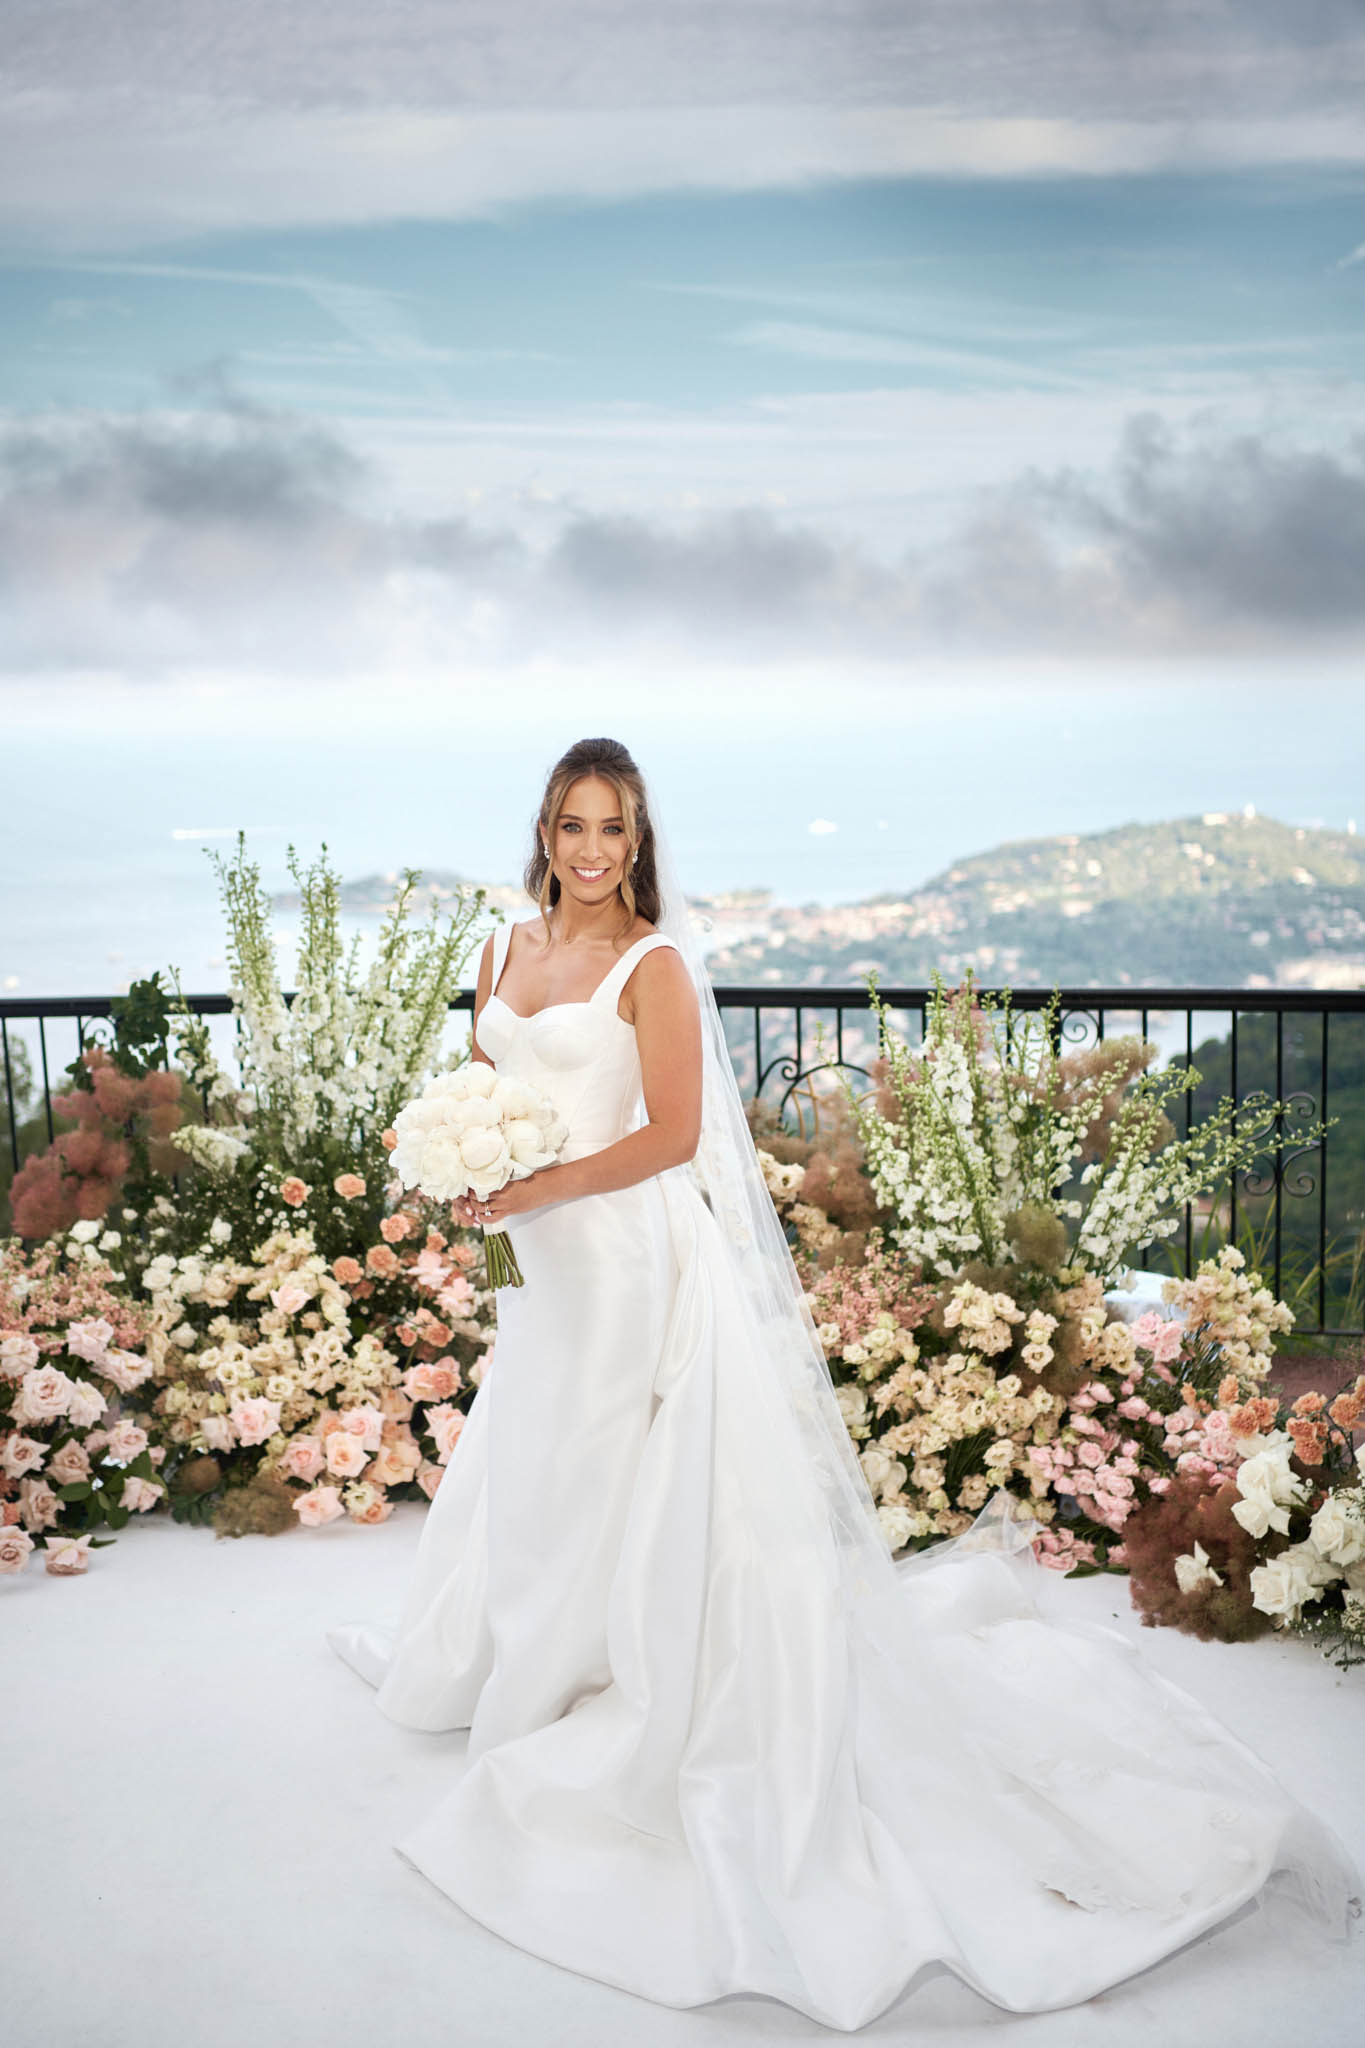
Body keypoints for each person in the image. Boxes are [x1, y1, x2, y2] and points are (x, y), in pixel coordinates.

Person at [328, 735, 1360, 2032]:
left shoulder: (653, 964)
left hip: (629, 1256)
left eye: (613, 830)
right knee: (539, 1453)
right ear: (543, 832)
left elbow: (658, 1135)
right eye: (571, 826)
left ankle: (604, 1684)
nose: (590, 850)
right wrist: (455, 1156)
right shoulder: (499, 952)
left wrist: (530, 1183)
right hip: (545, 1262)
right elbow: (488, 1084)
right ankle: (533, 1660)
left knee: (612, 1459)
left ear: (637, 844)